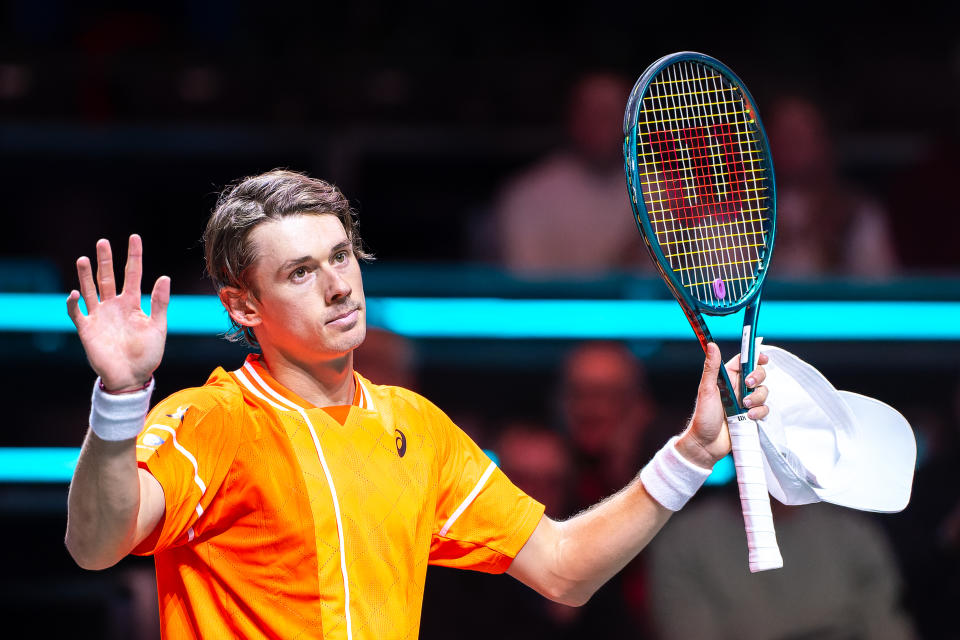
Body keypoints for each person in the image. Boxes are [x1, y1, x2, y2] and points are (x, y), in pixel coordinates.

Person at [64, 169, 771, 639]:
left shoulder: (417, 428)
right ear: (243, 304)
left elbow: (563, 567)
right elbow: (96, 546)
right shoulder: (210, 421)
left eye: (341, 257)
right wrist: (122, 400)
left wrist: (692, 452)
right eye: (301, 272)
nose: (339, 286)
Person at [492, 71, 650, 274]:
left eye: (611, 114)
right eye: (593, 113)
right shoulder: (526, 194)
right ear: (572, 117)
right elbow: (529, 286)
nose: (602, 125)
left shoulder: (667, 194)